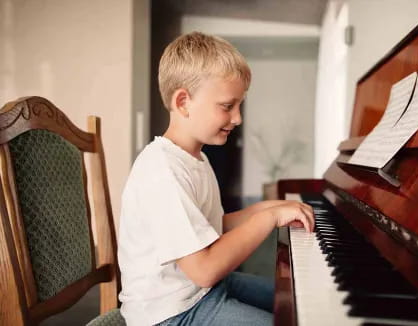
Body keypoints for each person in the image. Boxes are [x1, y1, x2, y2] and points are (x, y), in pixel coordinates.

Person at [117, 31, 315, 326]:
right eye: (227, 106)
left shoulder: (196, 158)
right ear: (183, 102)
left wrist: (267, 208)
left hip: (199, 292)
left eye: (240, 106)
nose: (238, 118)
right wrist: (268, 218)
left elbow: (210, 227)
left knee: (300, 301)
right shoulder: (162, 170)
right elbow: (204, 269)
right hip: (170, 312)